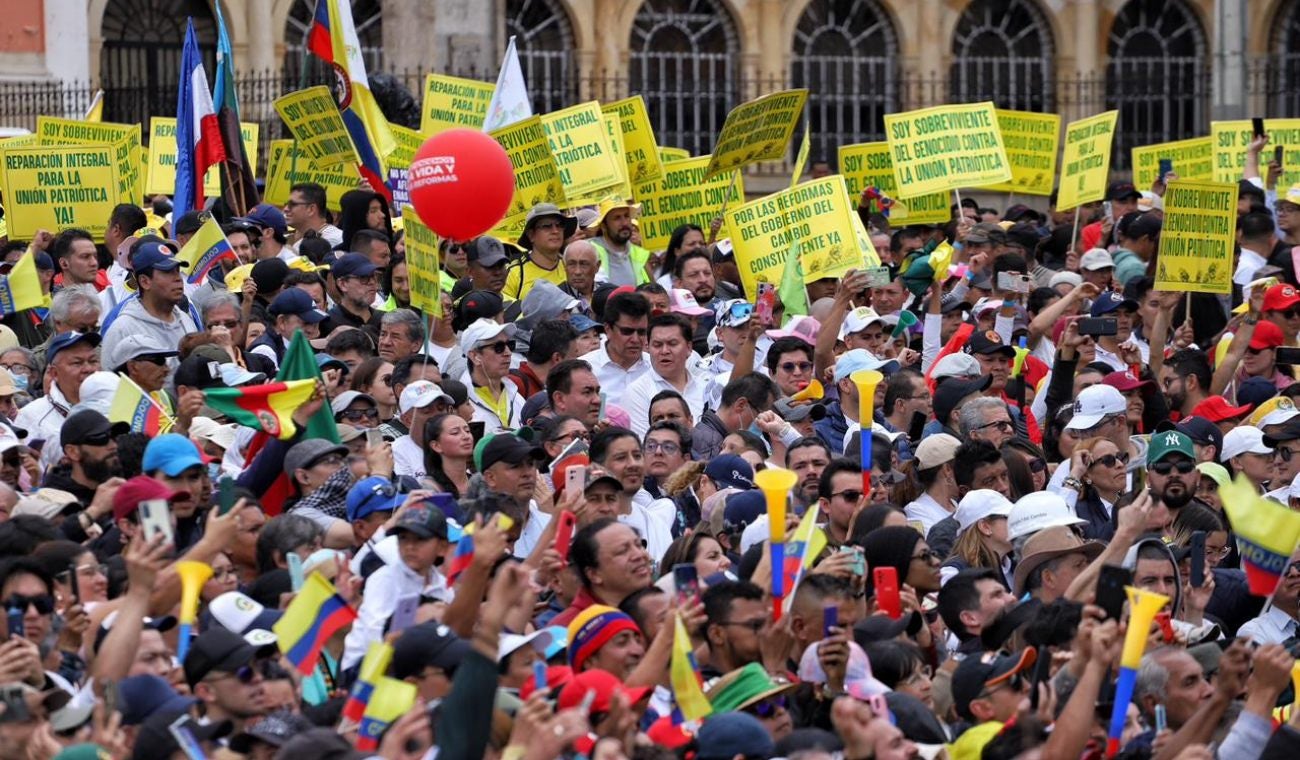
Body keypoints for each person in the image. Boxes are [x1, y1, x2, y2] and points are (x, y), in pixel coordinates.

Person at [100, 244, 197, 367]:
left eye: (177, 271)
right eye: (167, 272)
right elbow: (110, 377)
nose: (178, 278)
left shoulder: (186, 320)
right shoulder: (122, 329)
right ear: (145, 281)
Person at [622, 313, 705, 437]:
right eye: (657, 345)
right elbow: (645, 443)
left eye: (672, 343)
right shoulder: (637, 392)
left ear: (689, 348)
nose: (664, 351)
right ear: (648, 348)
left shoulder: (706, 387)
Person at [580, 290, 652, 400]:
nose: (635, 339)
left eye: (642, 332)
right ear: (608, 329)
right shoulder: (584, 369)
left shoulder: (656, 368)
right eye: (627, 331)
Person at [461, 318, 522, 433]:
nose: (508, 353)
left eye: (510, 345)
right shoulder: (460, 403)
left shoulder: (516, 396)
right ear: (475, 356)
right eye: (499, 347)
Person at [505, 204, 574, 301]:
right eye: (547, 226)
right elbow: (504, 307)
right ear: (531, 235)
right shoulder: (515, 273)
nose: (555, 231)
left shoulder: (571, 267)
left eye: (559, 225)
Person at [588, 200, 650, 286]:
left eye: (626, 216)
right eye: (617, 218)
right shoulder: (590, 251)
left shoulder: (638, 253)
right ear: (604, 226)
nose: (624, 223)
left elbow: (652, 288)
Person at [284, 182, 342, 248]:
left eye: (292, 204)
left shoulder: (336, 239)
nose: (285, 209)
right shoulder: (297, 244)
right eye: (286, 204)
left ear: (311, 209)